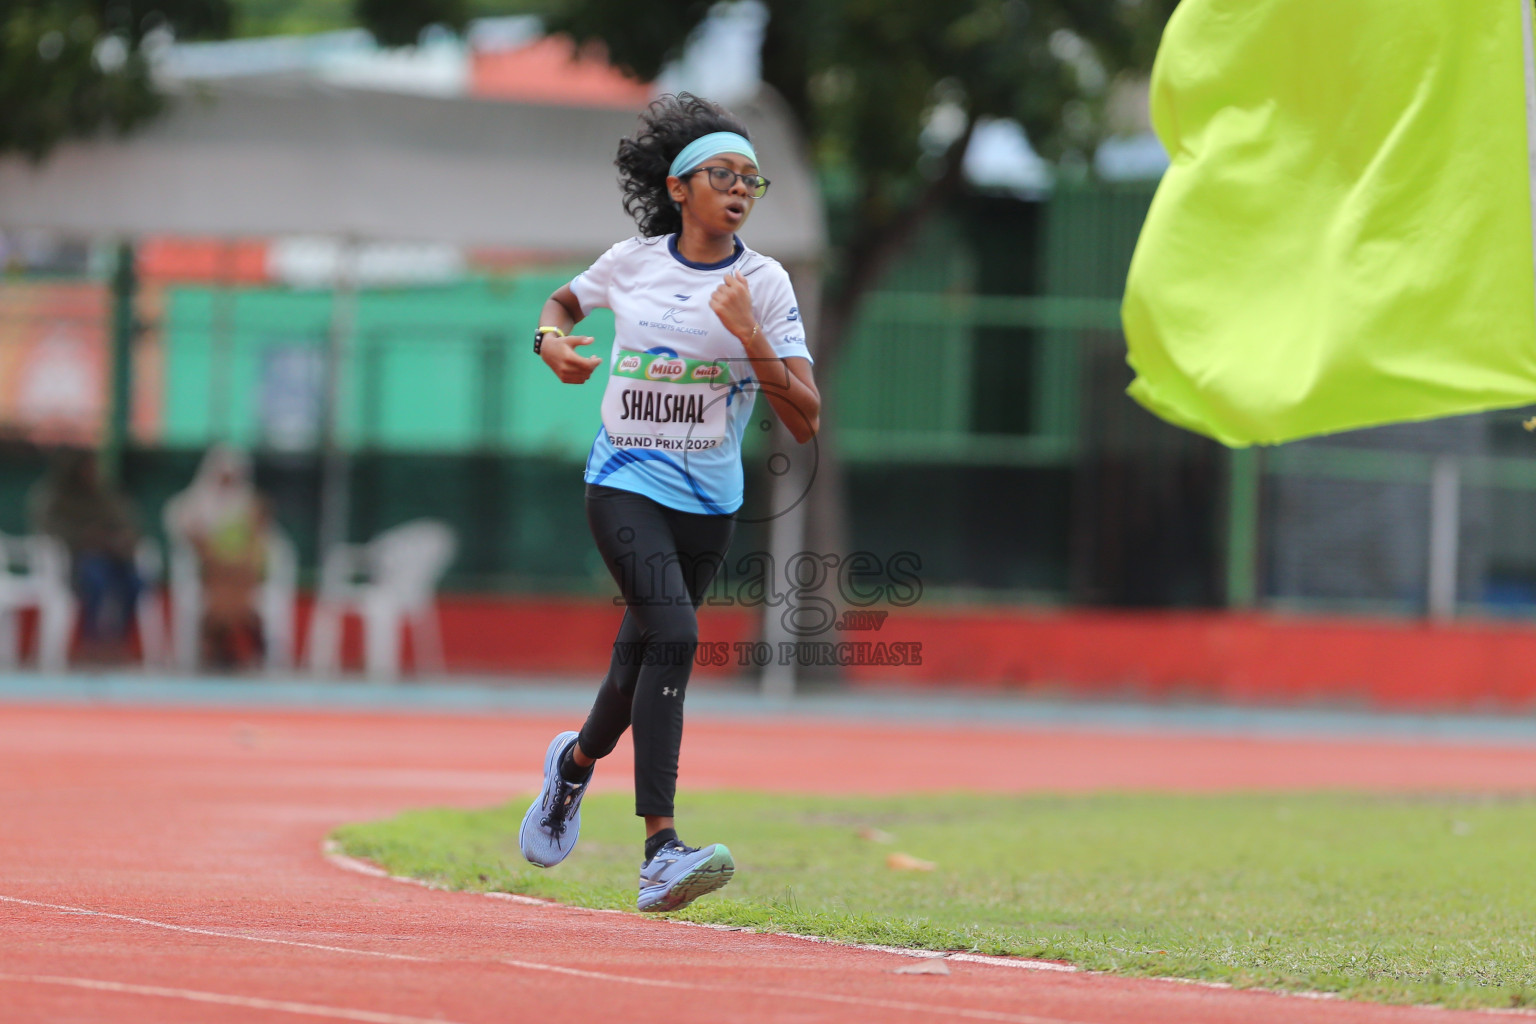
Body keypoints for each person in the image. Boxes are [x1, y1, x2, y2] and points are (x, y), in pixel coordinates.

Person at [519, 93, 821, 913]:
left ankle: (571, 769)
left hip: (710, 503)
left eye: (751, 180)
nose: (739, 189)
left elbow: (805, 415)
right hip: (622, 481)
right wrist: (552, 347)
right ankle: (660, 849)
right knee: (678, 635)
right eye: (722, 174)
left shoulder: (764, 281)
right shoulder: (631, 260)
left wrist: (751, 336)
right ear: (679, 187)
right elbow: (561, 306)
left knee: (637, 658)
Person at [28, 449, 142, 663]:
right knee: (95, 577)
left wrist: (121, 540)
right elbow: (51, 529)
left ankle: (117, 640)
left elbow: (127, 525)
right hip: (76, 562)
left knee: (136, 582)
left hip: (114, 559)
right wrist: (87, 538)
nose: (92, 472)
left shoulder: (104, 495)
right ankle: (92, 641)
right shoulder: (57, 496)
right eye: (87, 468)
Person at [165, 446, 270, 669]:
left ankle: (220, 640)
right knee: (223, 584)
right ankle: (234, 638)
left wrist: (240, 559)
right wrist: (216, 557)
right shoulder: (194, 505)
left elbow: (257, 540)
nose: (227, 481)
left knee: (236, 580)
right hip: (210, 569)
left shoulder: (250, 504)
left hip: (242, 570)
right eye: (223, 476)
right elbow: (193, 540)